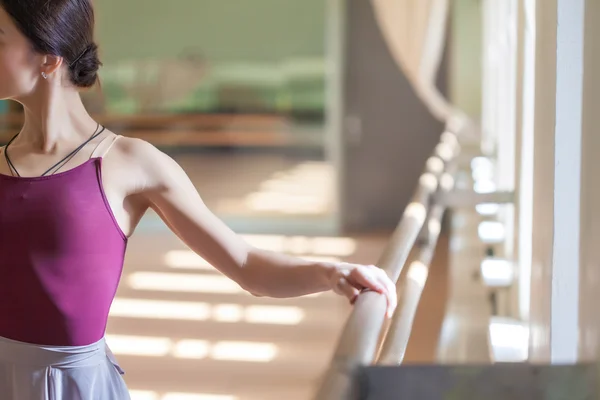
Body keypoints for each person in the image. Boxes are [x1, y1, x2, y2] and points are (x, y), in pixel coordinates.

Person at [0, 1, 398, 399]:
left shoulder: (131, 164)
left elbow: (247, 265)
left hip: (74, 387)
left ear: (49, 59)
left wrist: (332, 272)